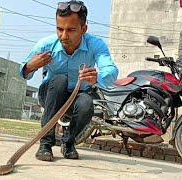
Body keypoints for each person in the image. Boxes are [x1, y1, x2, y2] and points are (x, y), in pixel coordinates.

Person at [20, 0, 119, 161]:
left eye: (71, 30)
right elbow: (23, 70)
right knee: (59, 80)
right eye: (60, 29)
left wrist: (98, 77)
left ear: (84, 29)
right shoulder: (47, 45)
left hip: (78, 97)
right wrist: (31, 66)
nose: (64, 36)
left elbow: (111, 70)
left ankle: (68, 142)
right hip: (51, 95)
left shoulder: (96, 45)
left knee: (87, 103)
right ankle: (45, 143)